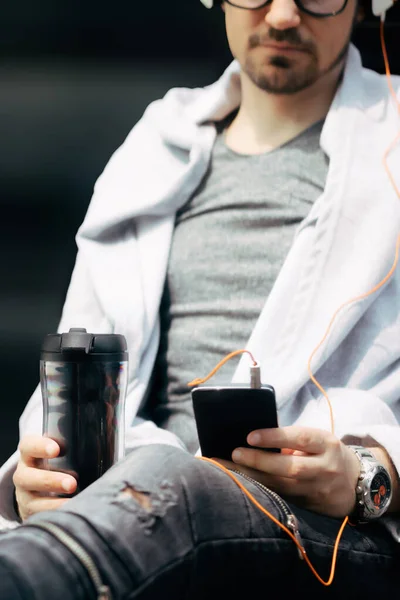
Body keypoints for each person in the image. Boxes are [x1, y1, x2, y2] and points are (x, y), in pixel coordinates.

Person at [0, 0, 400, 597]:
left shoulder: (389, 145)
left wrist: (369, 474)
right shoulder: (152, 150)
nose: (285, 15)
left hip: (327, 536)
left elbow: (371, 475)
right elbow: (74, 365)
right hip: (135, 499)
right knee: (157, 484)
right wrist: (38, 483)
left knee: (178, 486)